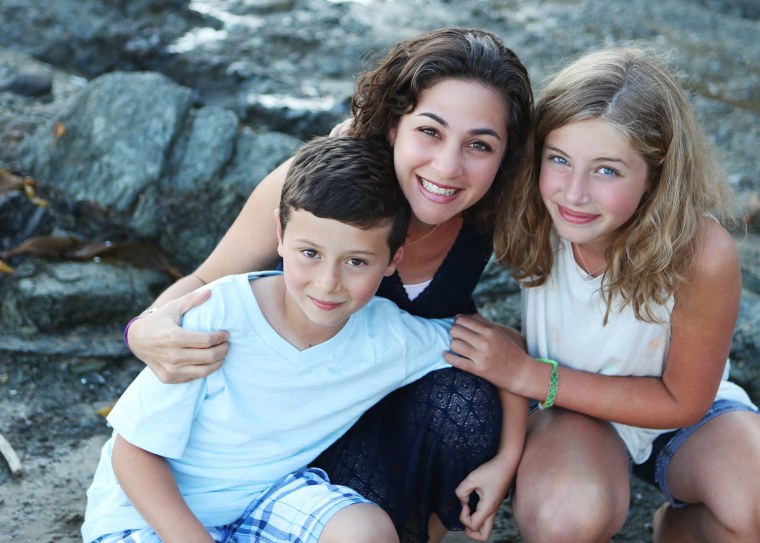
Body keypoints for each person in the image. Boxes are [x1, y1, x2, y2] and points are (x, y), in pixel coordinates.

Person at [122, 27, 534, 541]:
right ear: (392, 125)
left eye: (479, 144)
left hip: (403, 375)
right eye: (430, 130)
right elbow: (207, 280)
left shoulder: (494, 202)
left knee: (466, 401)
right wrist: (142, 331)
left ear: (506, 154)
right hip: (292, 419)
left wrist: (513, 450)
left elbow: (502, 344)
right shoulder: (324, 191)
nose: (448, 166)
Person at [447, 48, 760, 542]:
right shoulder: (525, 203)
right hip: (572, 413)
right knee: (566, 517)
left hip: (678, 412)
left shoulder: (700, 252)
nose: (573, 194)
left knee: (756, 506)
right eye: (560, 160)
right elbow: (432, 182)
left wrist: (527, 374)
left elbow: (683, 401)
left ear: (656, 175)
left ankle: (673, 529)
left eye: (607, 170)